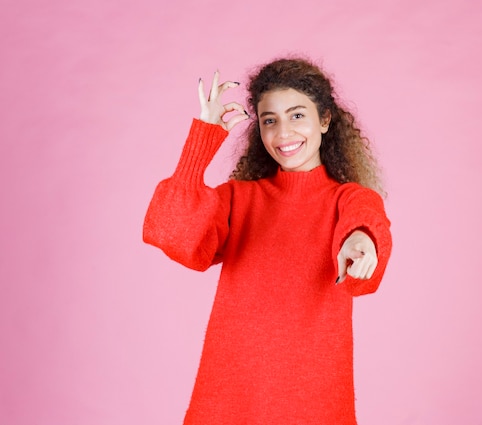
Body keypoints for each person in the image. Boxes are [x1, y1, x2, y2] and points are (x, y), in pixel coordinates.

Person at [143, 57, 392, 424]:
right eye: (269, 120)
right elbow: (171, 231)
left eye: (296, 116)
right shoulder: (238, 198)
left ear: (324, 120)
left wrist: (362, 242)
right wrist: (202, 138)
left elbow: (367, 224)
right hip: (230, 396)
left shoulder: (348, 199)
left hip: (314, 400)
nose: (283, 133)